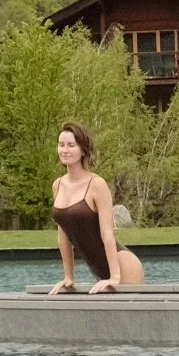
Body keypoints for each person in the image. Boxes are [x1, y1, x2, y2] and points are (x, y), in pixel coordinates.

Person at [48, 121, 144, 295]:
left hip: (123, 264)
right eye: (61, 145)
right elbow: (63, 235)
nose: (65, 150)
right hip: (99, 270)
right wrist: (68, 277)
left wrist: (115, 276)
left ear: (83, 150)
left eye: (71, 145)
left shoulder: (96, 184)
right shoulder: (57, 185)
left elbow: (107, 234)